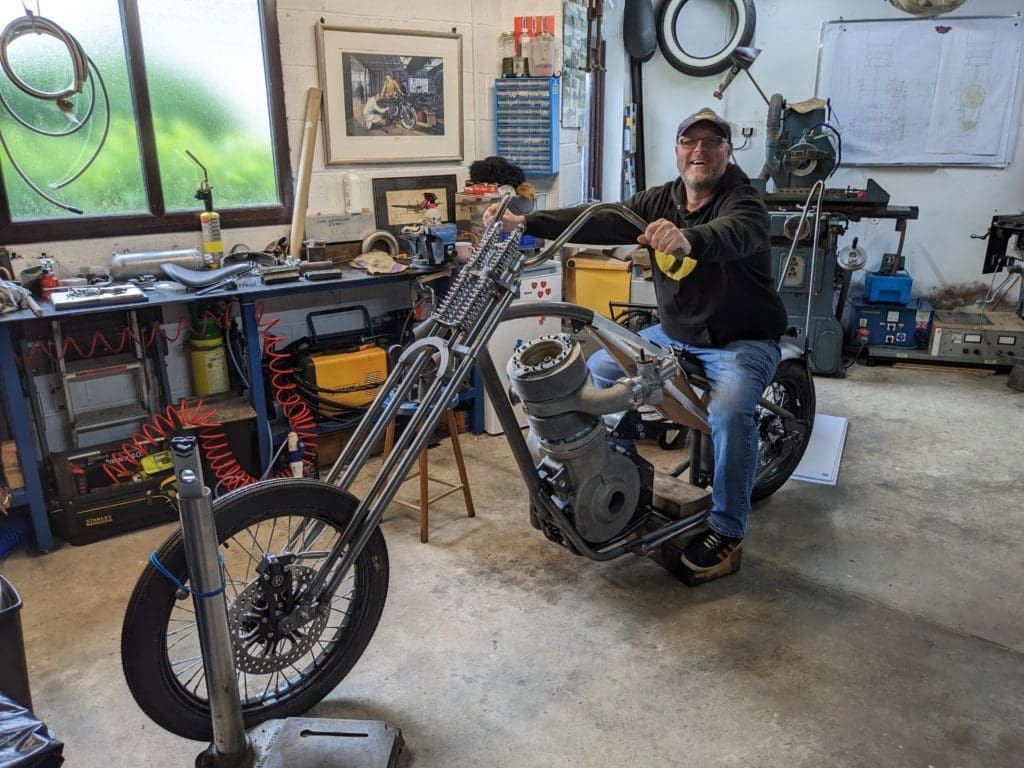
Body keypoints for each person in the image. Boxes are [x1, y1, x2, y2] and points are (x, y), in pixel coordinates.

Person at [484, 108, 787, 574]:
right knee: (595, 375)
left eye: (712, 142)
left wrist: (688, 240)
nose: (699, 151)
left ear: (728, 150)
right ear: (678, 149)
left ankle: (728, 526)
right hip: (674, 334)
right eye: (691, 142)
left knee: (729, 415)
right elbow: (599, 218)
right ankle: (606, 473)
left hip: (740, 341)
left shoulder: (742, 200)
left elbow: (736, 233)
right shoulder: (660, 200)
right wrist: (526, 223)